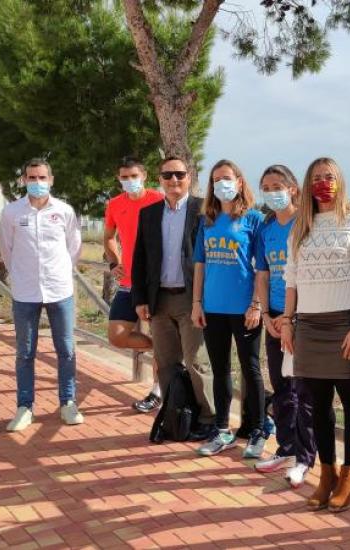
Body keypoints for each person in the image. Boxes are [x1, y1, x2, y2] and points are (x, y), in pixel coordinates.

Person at [282, 157, 350, 513]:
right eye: (317, 178)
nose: (323, 183)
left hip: (345, 325)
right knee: (317, 406)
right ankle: (327, 474)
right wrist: (288, 322)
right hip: (308, 325)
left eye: (330, 177)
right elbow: (290, 279)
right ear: (307, 186)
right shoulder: (300, 228)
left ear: (340, 182)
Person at [131, 156, 216, 438]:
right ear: (160, 179)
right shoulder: (149, 213)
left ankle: (208, 418)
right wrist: (140, 299)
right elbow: (140, 259)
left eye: (179, 174)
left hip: (191, 300)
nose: (173, 181)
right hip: (159, 300)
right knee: (166, 363)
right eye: (167, 176)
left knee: (196, 362)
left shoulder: (203, 210)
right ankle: (175, 413)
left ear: (189, 176)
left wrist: (203, 300)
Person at [0, 159, 84, 431]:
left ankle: (68, 403)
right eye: (32, 178)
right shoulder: (11, 212)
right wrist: (21, 275)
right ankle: (25, 407)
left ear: (51, 179)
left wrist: (60, 272)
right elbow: (7, 250)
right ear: (23, 180)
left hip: (60, 290)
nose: (37, 183)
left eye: (42, 177)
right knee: (25, 352)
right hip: (25, 292)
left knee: (67, 350)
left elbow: (74, 247)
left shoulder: (64, 211)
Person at [190, 160, 267, 457]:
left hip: (245, 308)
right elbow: (200, 265)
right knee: (220, 370)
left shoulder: (253, 219)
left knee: (251, 369)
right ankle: (222, 430)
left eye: (227, 178)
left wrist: (256, 305)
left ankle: (258, 430)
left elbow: (263, 268)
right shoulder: (206, 221)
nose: (222, 183)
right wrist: (197, 303)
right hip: (213, 308)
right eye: (216, 179)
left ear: (238, 181)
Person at [252, 164, 315, 488]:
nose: (272, 191)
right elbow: (262, 274)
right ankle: (286, 447)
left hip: (303, 316)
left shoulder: (307, 224)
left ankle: (305, 458)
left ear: (292, 188)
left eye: (278, 185)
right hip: (274, 315)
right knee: (281, 386)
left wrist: (291, 317)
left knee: (303, 388)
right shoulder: (265, 229)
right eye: (266, 186)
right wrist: (265, 314)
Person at [103, 157, 165, 413]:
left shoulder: (159, 200)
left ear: (145, 176)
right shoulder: (114, 204)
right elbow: (108, 237)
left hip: (156, 283)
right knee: (117, 336)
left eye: (133, 176)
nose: (129, 181)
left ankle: (157, 391)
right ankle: (166, 348)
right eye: (124, 177)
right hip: (128, 282)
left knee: (161, 337)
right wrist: (113, 262)